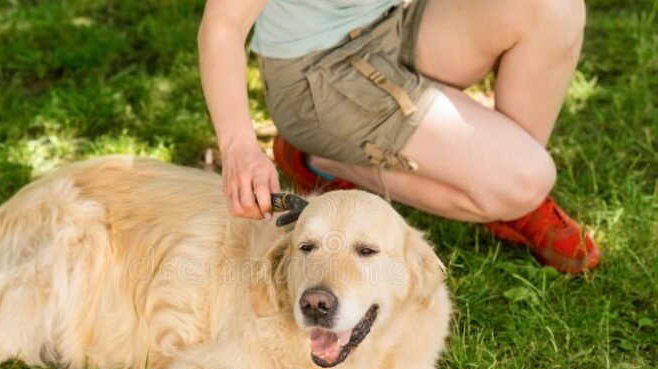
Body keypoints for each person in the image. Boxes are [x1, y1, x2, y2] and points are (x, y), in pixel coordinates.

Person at [198, 0, 600, 273]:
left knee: (553, 7)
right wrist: (239, 147)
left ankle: (511, 186)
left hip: (396, 20)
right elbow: (223, 26)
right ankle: (316, 159)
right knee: (524, 179)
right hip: (320, 70)